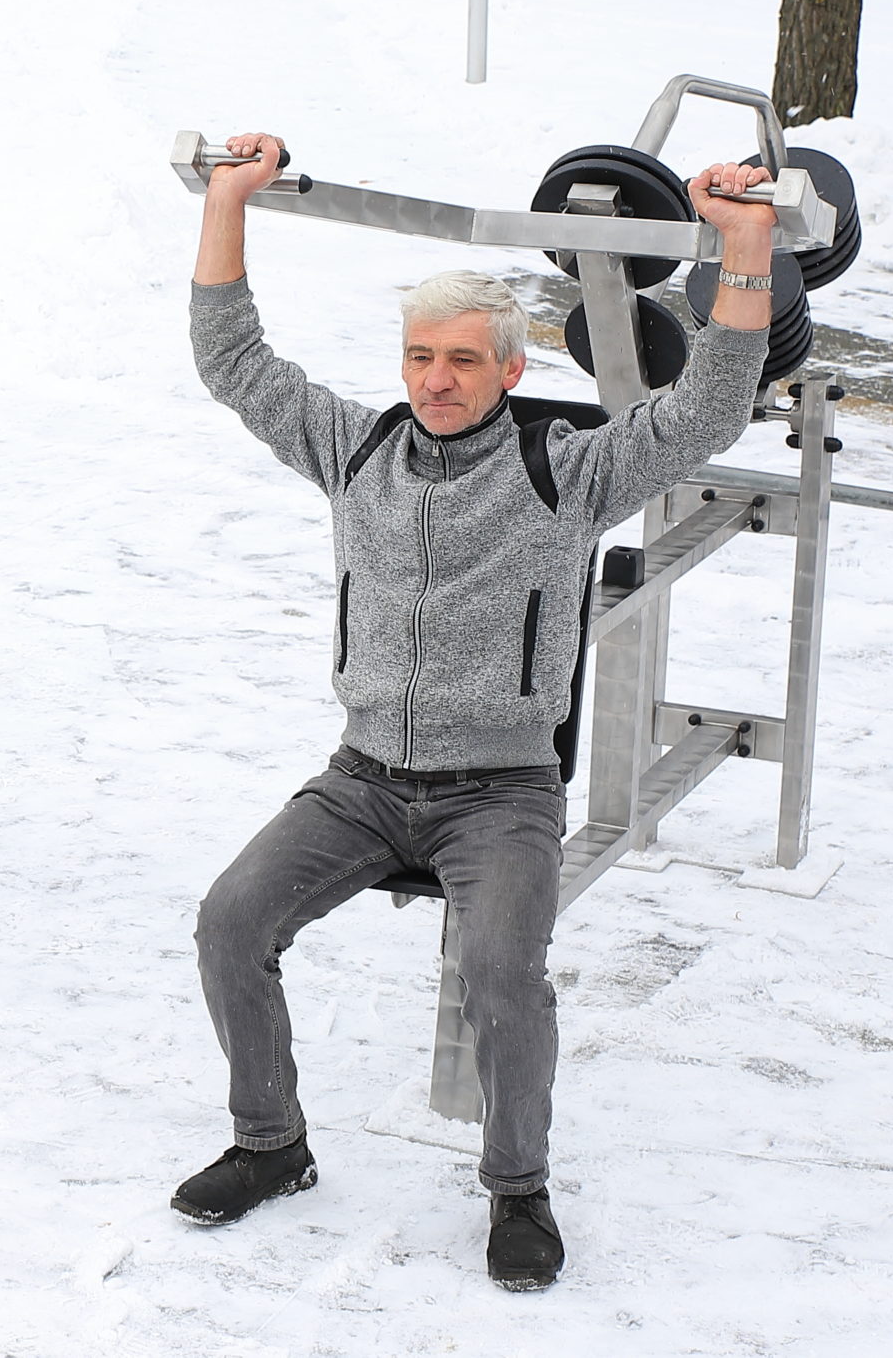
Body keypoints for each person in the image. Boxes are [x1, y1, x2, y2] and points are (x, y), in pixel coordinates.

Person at [174, 132, 778, 1289]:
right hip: (360, 779)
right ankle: (270, 1144)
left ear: (507, 369)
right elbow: (232, 359)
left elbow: (705, 410)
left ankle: (516, 1190)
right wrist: (228, 200)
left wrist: (742, 241)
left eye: (461, 359)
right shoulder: (355, 452)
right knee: (229, 922)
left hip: (500, 792)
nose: (436, 380)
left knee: (500, 974)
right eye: (419, 357)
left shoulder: (567, 471)